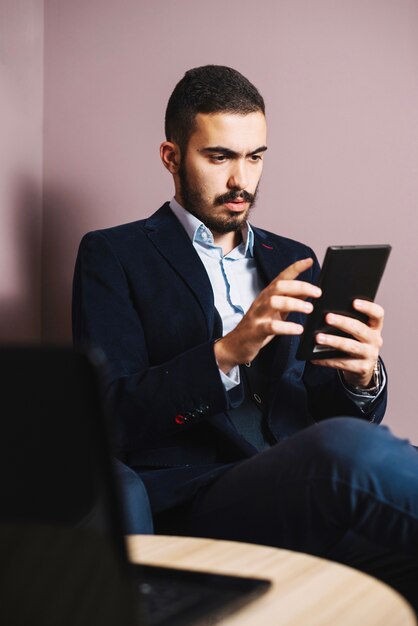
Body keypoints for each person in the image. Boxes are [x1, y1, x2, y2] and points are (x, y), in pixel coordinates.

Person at [73, 65, 418, 609]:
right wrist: (226, 353)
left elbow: (324, 404)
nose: (243, 180)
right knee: (348, 451)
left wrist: (361, 377)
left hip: (304, 494)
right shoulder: (114, 255)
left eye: (255, 157)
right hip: (199, 497)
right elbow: (108, 414)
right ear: (172, 157)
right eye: (220, 157)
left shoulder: (291, 257)